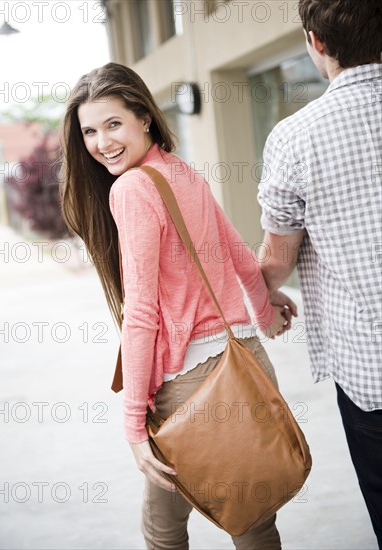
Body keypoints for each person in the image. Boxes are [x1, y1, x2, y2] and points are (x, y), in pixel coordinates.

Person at [60, 62, 289, 549]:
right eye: (90, 131)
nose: (102, 143)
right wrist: (265, 315)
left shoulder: (133, 188)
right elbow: (239, 256)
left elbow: (141, 313)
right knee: (249, 519)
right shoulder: (181, 172)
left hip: (192, 385)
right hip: (246, 362)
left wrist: (133, 424)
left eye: (114, 124)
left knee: (169, 530)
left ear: (145, 117)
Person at [257, 0, 382, 546]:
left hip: (371, 368)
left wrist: (265, 298)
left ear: (317, 42)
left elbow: (276, 261)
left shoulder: (295, 136)